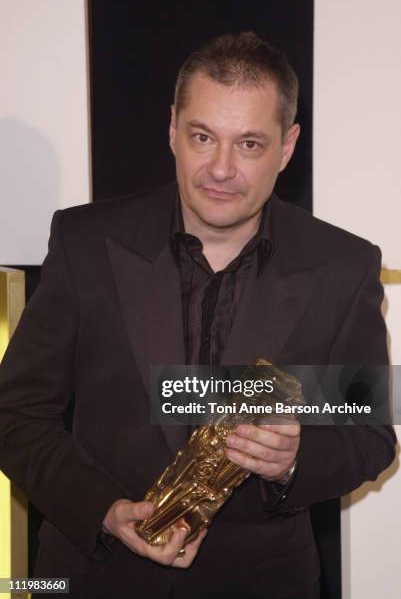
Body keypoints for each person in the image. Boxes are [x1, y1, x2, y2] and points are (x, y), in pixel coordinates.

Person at [0, 32, 396, 599]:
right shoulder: (85, 242)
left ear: (287, 147)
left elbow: (368, 436)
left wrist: (294, 460)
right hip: (93, 577)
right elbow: (15, 414)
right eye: (203, 137)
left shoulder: (343, 266)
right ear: (172, 131)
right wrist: (104, 511)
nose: (221, 168)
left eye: (251, 144)